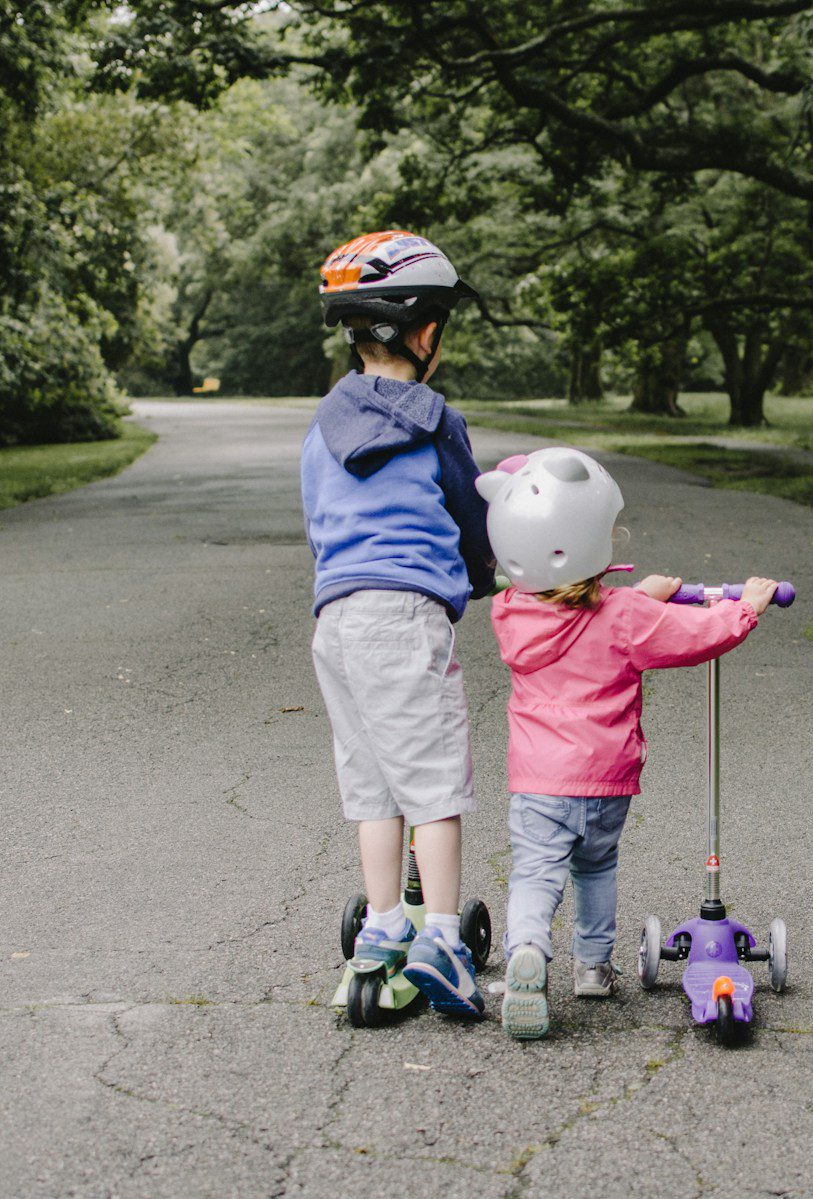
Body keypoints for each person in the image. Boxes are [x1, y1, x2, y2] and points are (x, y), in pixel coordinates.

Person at [474, 448, 779, 1039]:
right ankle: (591, 968)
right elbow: (693, 635)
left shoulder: (512, 611)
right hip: (605, 778)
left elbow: (576, 607)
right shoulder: (624, 616)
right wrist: (744, 609)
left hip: (538, 779)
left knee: (536, 873)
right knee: (596, 867)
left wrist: (642, 594)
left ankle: (527, 952)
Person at [303, 230, 495, 1020]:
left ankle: (383, 925)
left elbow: (318, 518)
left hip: (337, 619)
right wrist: (487, 577)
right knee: (434, 782)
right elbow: (472, 511)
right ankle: (443, 936)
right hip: (403, 616)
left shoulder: (322, 425)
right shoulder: (434, 419)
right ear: (425, 335)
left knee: (372, 783)